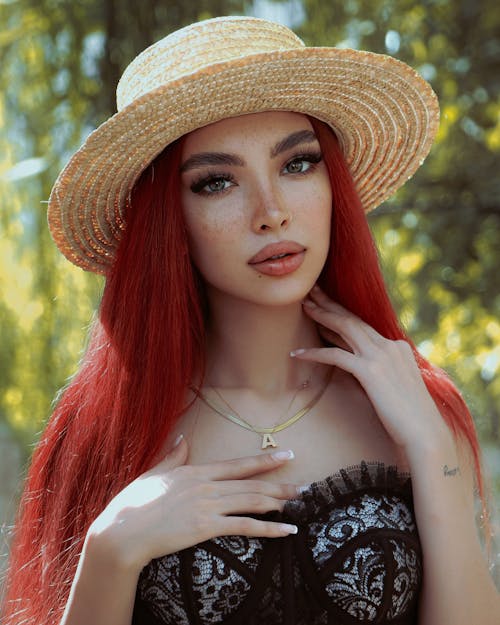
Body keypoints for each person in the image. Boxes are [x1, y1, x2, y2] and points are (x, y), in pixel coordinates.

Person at [2, 15, 498, 625]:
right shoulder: (106, 425)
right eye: (216, 182)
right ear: (168, 221)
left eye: (297, 165)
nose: (271, 213)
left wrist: (430, 444)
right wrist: (110, 551)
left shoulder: (408, 406)